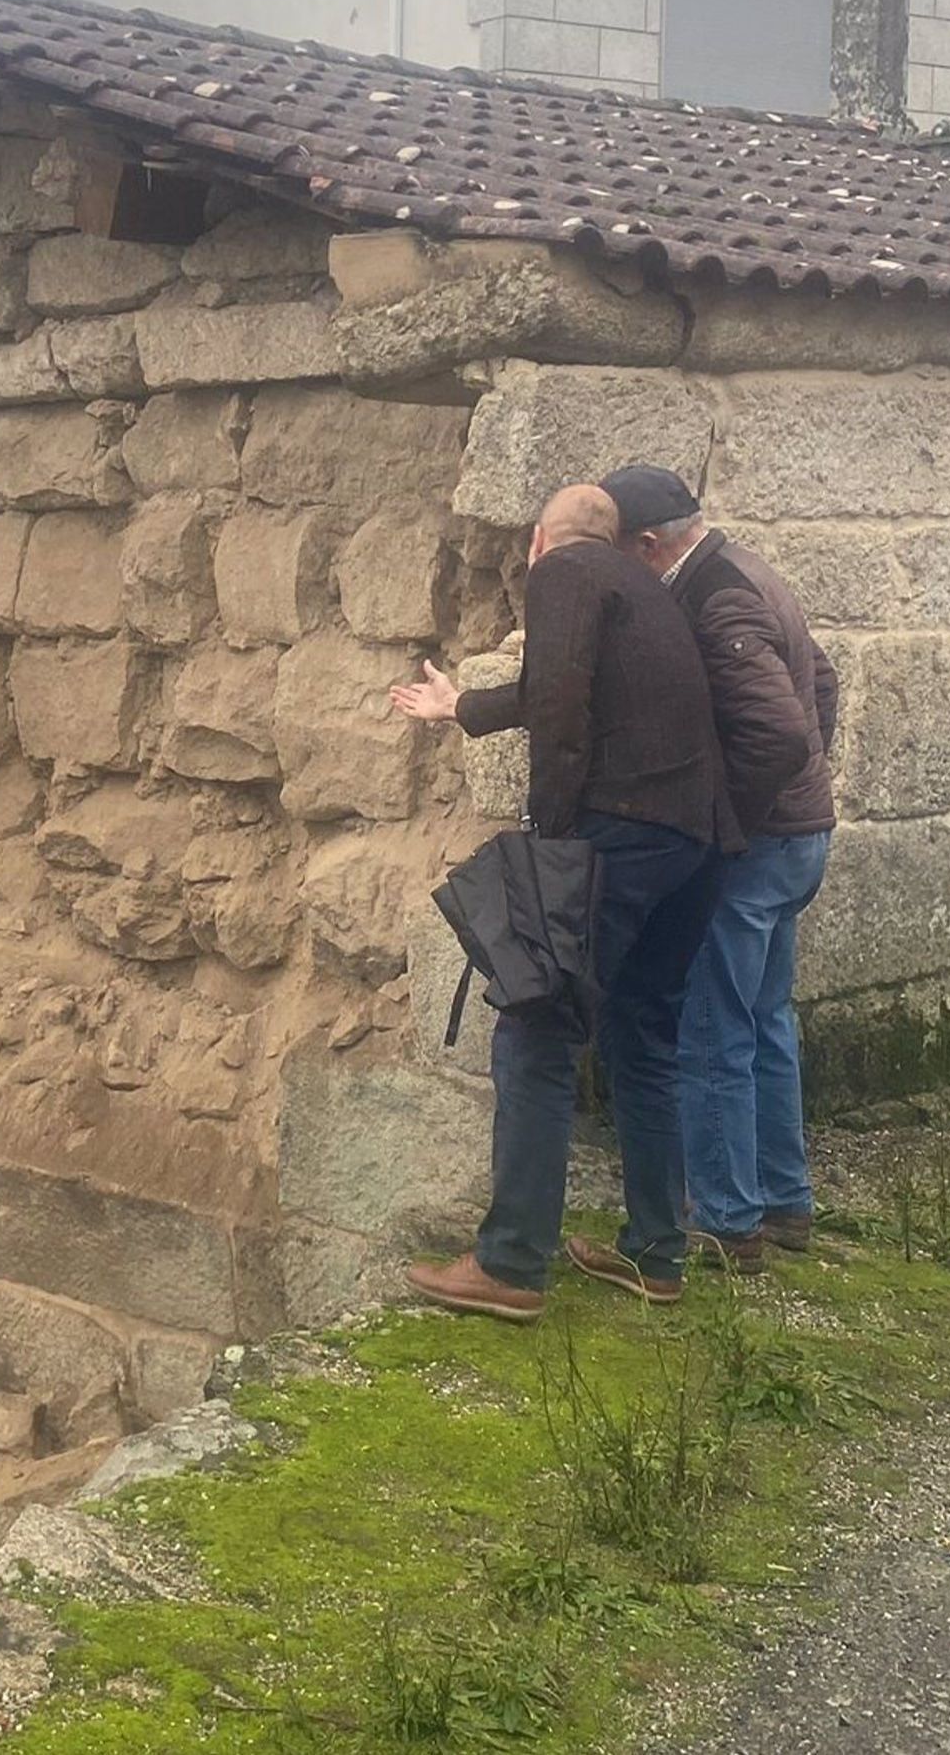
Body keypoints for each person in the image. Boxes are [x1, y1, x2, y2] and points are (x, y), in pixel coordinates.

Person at [389, 484, 725, 1321]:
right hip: (697, 842)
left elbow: (562, 705)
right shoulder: (646, 585)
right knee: (642, 1034)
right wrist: (463, 706)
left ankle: (510, 1263)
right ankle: (657, 1253)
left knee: (536, 1029)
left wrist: (552, 841)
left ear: (541, 539)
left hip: (622, 831)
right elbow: (556, 689)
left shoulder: (565, 573)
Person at [600, 465, 838, 1269]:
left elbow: (780, 731)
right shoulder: (748, 569)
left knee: (712, 1030)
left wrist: (727, 824)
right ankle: (784, 1201)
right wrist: (801, 794)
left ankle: (729, 1220)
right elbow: (821, 685)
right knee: (765, 1020)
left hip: (757, 848)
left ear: (647, 544)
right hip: (795, 837)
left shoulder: (716, 597)